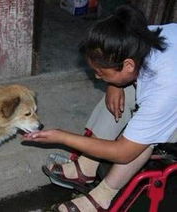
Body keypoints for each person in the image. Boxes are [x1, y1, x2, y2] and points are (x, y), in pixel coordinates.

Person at [24, 4, 177, 212]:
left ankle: (102, 197)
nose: (97, 76)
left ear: (128, 65)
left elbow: (124, 152)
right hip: (160, 86)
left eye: (100, 72)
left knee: (141, 140)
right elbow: (124, 76)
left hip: (170, 93)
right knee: (121, 91)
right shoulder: (138, 37)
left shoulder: (164, 87)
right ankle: (87, 166)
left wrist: (62, 137)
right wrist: (113, 83)